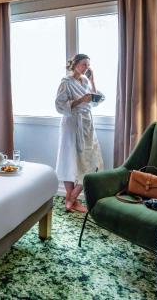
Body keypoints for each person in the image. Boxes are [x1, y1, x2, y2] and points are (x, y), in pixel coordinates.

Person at [55, 54, 104, 213]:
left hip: (87, 123)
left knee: (93, 162)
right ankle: (72, 200)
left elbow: (96, 101)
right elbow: (60, 105)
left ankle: (71, 198)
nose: (86, 68)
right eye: (83, 64)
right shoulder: (66, 83)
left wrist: (93, 80)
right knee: (70, 159)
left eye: (88, 65)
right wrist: (81, 100)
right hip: (72, 123)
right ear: (75, 64)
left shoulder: (86, 81)